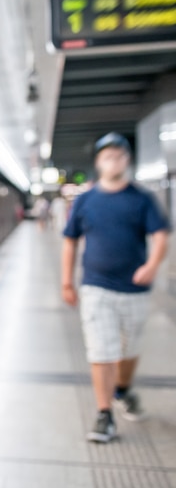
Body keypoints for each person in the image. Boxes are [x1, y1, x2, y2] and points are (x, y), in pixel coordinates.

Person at [62, 132, 170, 443]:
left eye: (119, 156)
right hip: (96, 288)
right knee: (102, 351)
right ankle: (104, 414)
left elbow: (160, 236)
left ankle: (123, 389)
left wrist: (151, 266)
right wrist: (67, 281)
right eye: (108, 156)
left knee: (129, 349)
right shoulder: (85, 201)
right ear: (98, 162)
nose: (114, 161)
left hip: (134, 290)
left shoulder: (141, 199)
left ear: (128, 161)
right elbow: (70, 242)